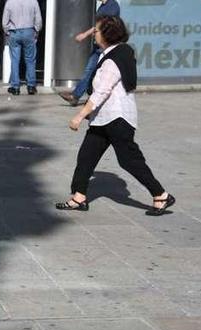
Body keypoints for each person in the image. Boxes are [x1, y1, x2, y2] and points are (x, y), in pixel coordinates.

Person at [57, 15, 175, 217]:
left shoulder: (113, 60)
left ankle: (161, 194)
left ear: (107, 34)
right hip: (103, 118)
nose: (94, 33)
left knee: (128, 159)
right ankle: (79, 197)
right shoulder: (117, 53)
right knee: (86, 156)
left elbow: (102, 91)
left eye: (97, 30)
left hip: (117, 118)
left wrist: (79, 115)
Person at [58, 0, 120, 106]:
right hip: (99, 44)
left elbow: (103, 25)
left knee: (93, 71)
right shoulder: (102, 6)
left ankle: (78, 96)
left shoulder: (112, 5)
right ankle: (81, 96)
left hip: (106, 44)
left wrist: (85, 35)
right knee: (91, 71)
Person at [2, 0, 42, 95]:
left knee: (15, 60)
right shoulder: (33, 2)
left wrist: (8, 31)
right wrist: (36, 30)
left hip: (14, 31)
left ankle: (15, 87)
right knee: (30, 59)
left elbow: (5, 21)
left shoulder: (10, 2)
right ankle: (31, 86)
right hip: (29, 31)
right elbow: (38, 19)